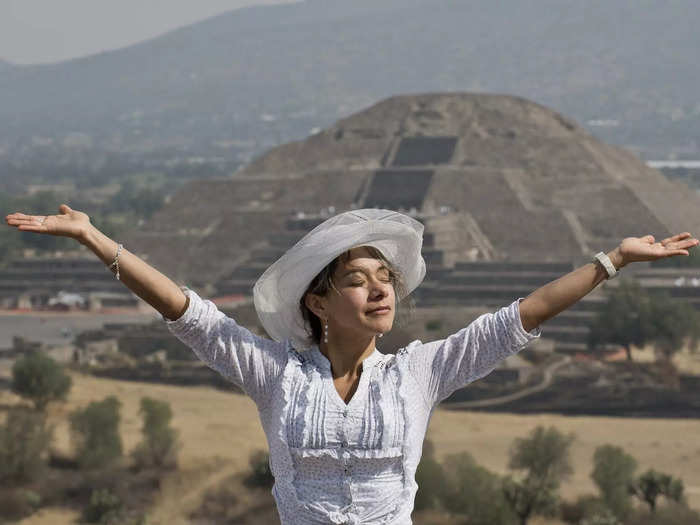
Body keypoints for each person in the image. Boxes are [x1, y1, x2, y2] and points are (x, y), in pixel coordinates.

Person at [5, 205, 698, 524]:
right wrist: (96, 237)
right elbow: (191, 315)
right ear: (319, 300)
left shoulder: (419, 372)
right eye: (361, 278)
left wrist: (613, 261)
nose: (381, 288)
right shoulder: (277, 375)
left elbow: (519, 317)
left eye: (387, 277)